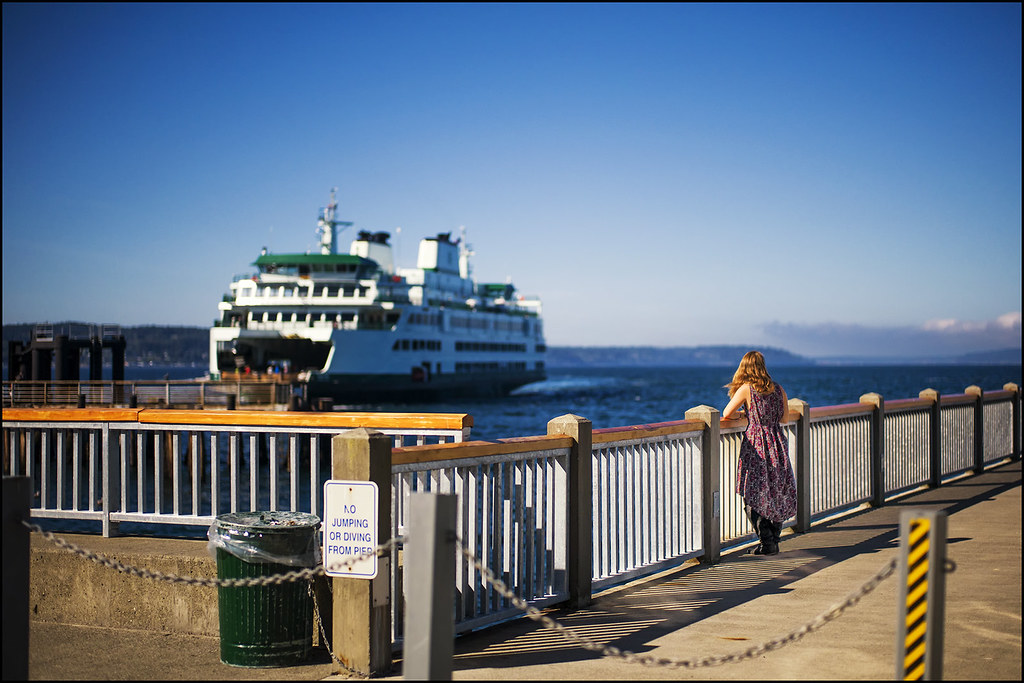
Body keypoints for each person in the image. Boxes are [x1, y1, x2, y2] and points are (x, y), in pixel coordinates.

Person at [722, 351, 797, 555]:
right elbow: (784, 419)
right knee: (776, 490)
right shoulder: (779, 389)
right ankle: (774, 540)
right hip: (777, 441)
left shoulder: (747, 389)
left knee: (751, 491)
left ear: (744, 368)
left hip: (756, 444)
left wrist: (745, 415)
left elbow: (726, 414)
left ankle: (767, 542)